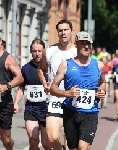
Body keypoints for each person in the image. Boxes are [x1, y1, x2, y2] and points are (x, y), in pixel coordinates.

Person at [50, 31, 106, 150]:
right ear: (76, 45)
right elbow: (53, 89)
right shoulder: (66, 65)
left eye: (89, 44)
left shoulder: (99, 65)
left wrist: (102, 91)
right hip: (71, 112)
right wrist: (67, 93)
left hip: (90, 113)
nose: (86, 46)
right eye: (83, 43)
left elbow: (103, 82)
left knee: (83, 147)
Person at [38, 19, 77, 150]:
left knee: (72, 142)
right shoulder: (50, 50)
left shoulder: (78, 53)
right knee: (52, 138)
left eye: (66, 30)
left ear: (72, 31)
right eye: (60, 30)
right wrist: (45, 84)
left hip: (73, 100)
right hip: (55, 98)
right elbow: (41, 69)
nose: (63, 33)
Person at [14, 39, 50, 150]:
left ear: (44, 51)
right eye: (34, 51)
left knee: (46, 144)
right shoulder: (26, 68)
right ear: (31, 51)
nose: (37, 54)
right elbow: (21, 87)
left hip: (48, 110)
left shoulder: (50, 67)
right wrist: (16, 103)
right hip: (31, 109)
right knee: (33, 140)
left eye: (40, 51)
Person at [0, 38, 24, 150]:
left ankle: (10, 146)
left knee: (5, 139)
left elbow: (20, 78)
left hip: (4, 104)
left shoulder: (7, 59)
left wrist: (6, 86)